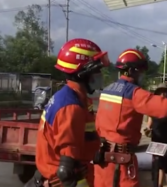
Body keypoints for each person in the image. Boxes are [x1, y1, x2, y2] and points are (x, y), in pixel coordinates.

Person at [93, 48, 167, 187]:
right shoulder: (134, 93)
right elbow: (165, 107)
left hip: (103, 159)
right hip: (120, 163)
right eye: (141, 72)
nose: (142, 76)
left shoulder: (107, 91)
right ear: (132, 71)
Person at [28, 38, 110, 187]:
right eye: (96, 70)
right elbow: (66, 169)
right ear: (83, 73)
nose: (100, 75)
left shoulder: (70, 97)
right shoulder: (71, 107)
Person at [145, 83, 167, 187]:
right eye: (160, 92)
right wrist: (147, 130)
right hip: (156, 141)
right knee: (157, 165)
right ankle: (158, 185)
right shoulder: (153, 108)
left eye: (165, 92)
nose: (163, 94)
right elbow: (149, 124)